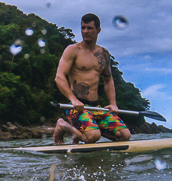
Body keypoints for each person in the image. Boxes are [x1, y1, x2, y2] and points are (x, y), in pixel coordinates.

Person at [53, 13, 131, 144]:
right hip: (76, 107)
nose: (85, 31)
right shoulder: (72, 50)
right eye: (83, 28)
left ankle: (84, 132)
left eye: (89, 28)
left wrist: (113, 103)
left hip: (96, 107)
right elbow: (59, 77)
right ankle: (63, 125)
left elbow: (108, 79)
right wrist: (73, 99)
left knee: (124, 135)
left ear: (98, 30)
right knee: (93, 137)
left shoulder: (103, 54)